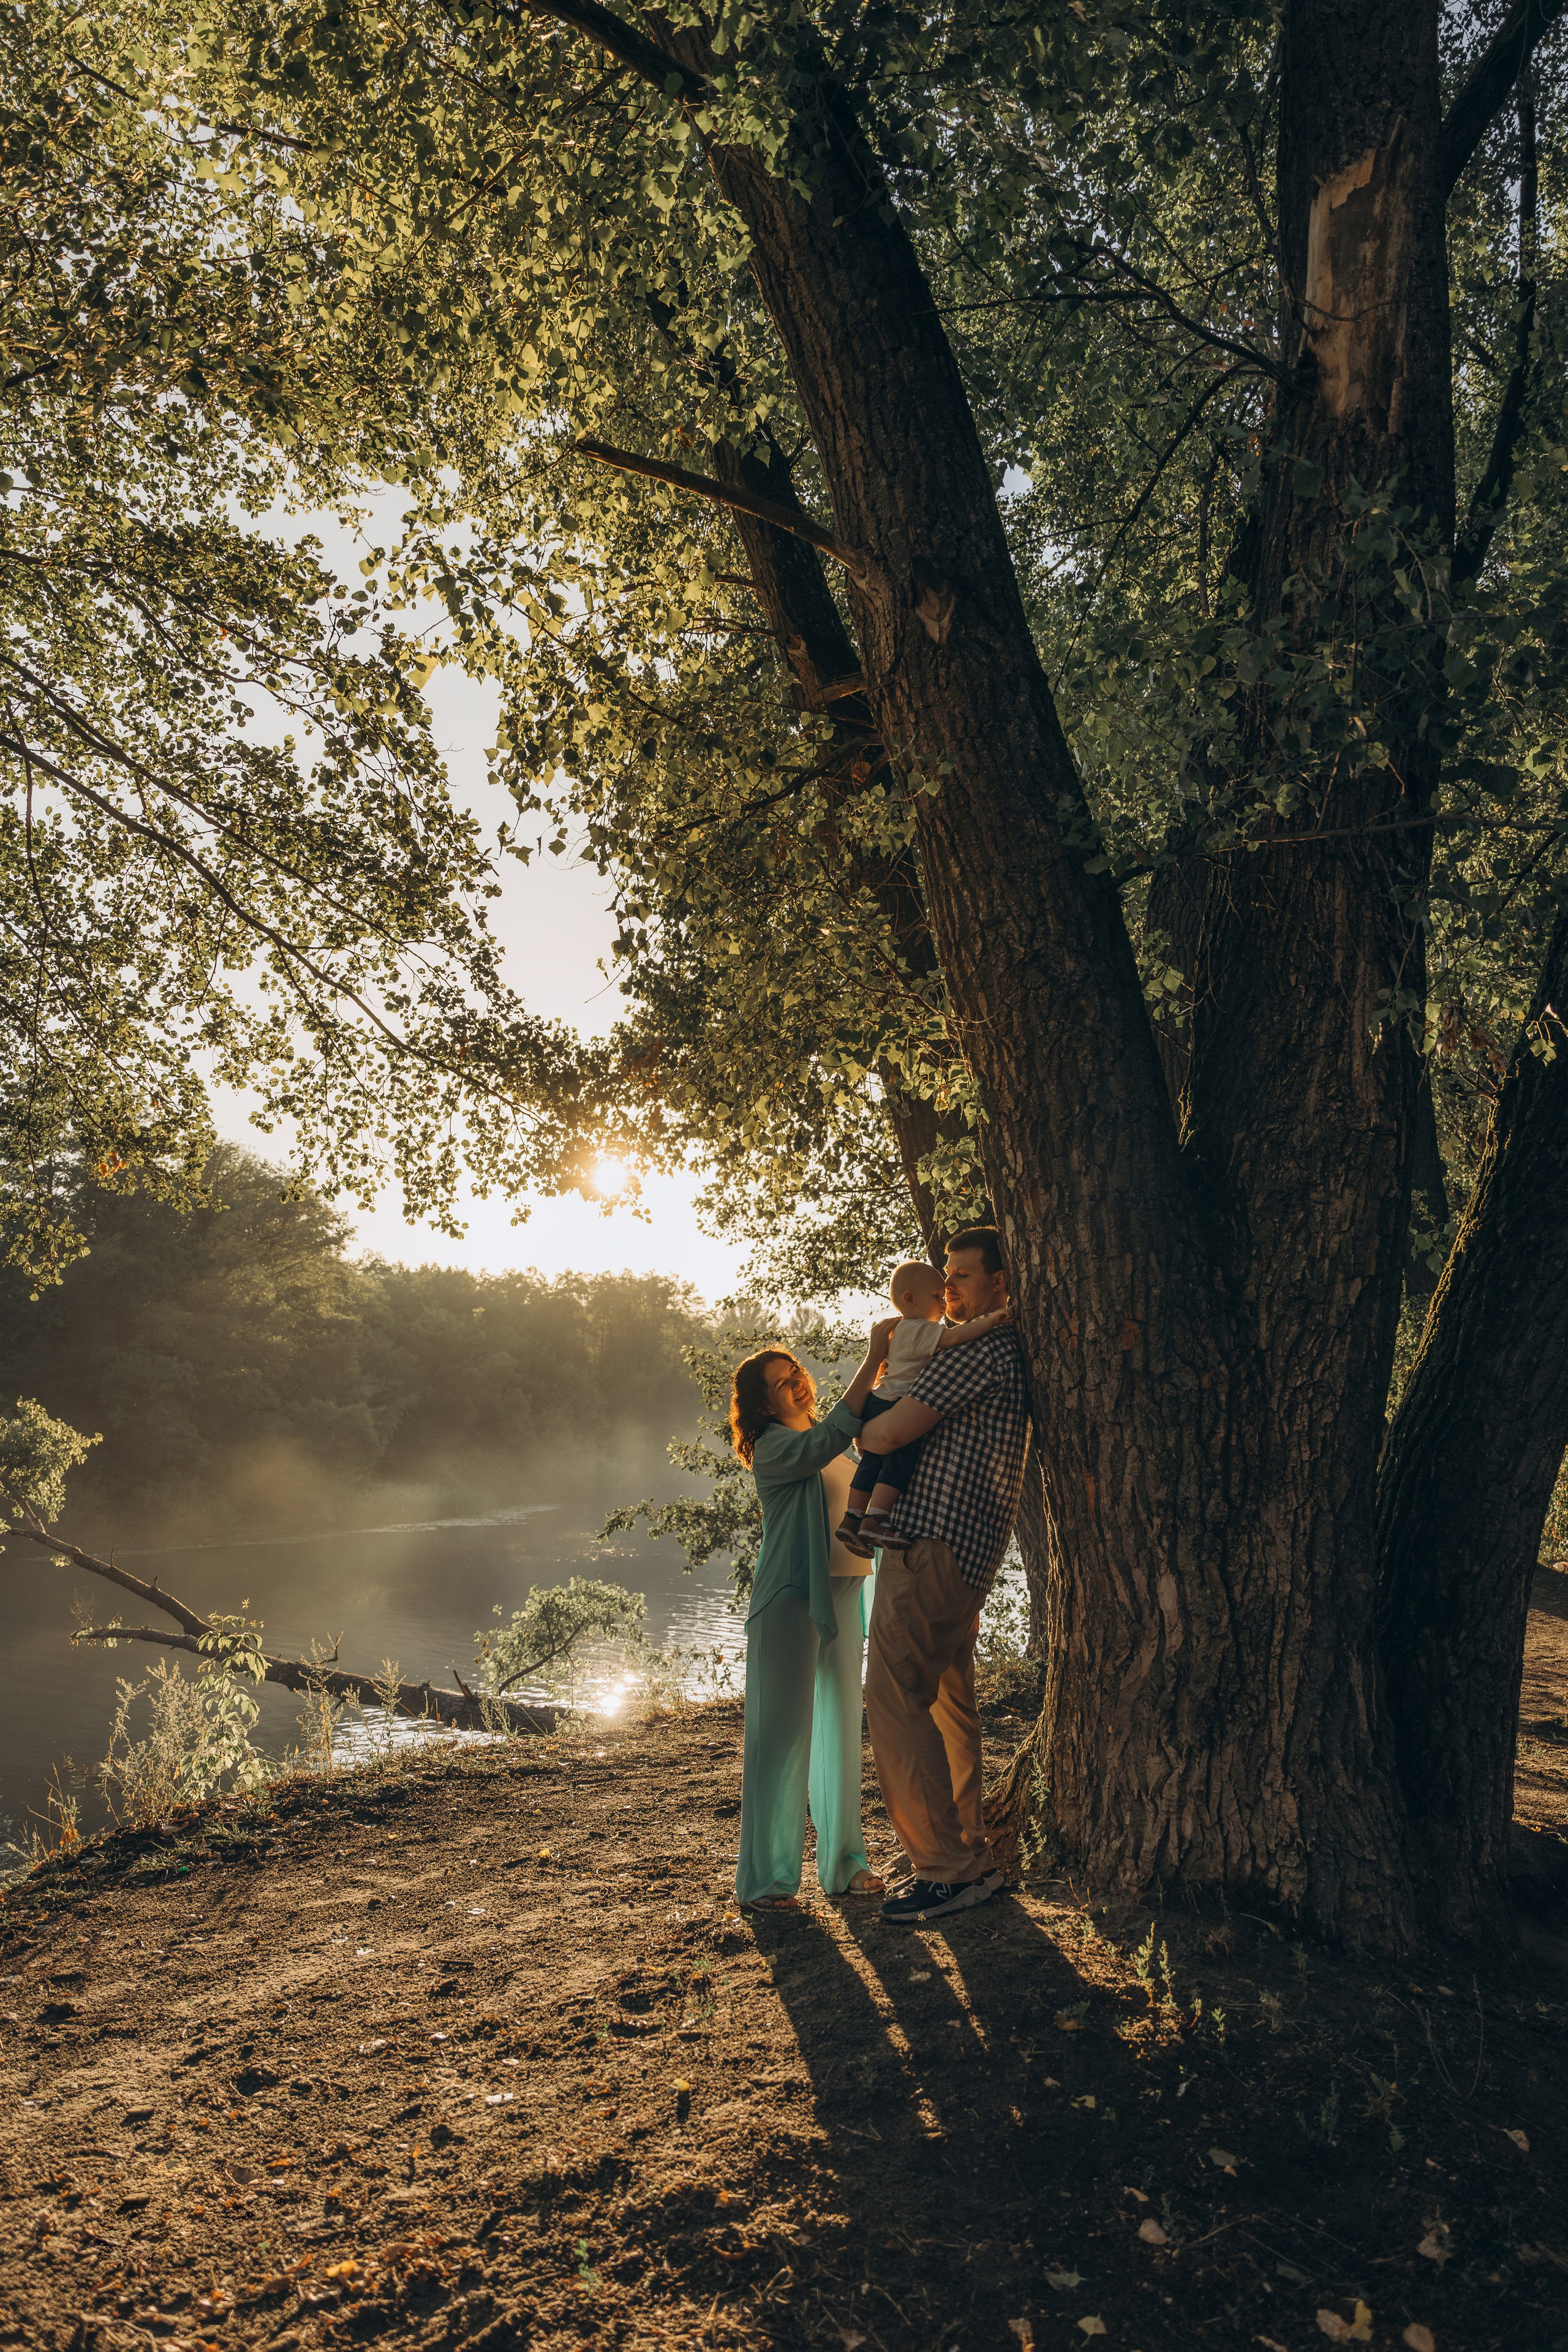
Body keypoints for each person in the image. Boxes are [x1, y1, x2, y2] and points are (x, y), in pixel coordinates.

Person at [856, 1227, 1030, 1924]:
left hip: (930, 1544)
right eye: (946, 1275)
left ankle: (946, 1869)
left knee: (894, 1696)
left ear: (1000, 1284)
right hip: (964, 1554)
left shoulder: (980, 1350)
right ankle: (969, 1857)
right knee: (947, 1704)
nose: (950, 1286)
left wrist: (866, 1427)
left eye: (962, 1275)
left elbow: (884, 1434)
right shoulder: (998, 1350)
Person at [729, 1322, 897, 1912]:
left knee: (840, 1733)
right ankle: (768, 1881)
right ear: (763, 1404)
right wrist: (875, 1355)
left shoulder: (837, 1447)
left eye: (795, 1375)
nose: (796, 1385)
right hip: (792, 1601)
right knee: (780, 1738)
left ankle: (846, 1865)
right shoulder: (778, 1448)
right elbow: (826, 1439)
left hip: (845, 1591)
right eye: (780, 1385)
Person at [835, 1257, 1014, 1557]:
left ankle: (852, 1517)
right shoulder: (920, 1329)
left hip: (878, 1399)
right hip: (895, 1402)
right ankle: (876, 1518)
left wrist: (863, 1436)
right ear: (909, 1299)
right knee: (898, 1460)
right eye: (936, 1297)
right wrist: (993, 1319)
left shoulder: (898, 1330)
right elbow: (955, 1336)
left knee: (871, 1463)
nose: (943, 1303)